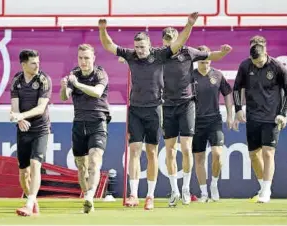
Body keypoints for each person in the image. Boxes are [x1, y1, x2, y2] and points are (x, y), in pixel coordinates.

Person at [99, 12, 199, 210]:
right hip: (135, 109)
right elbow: (108, 45)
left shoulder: (160, 55)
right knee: (134, 151)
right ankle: (134, 194)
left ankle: (150, 195)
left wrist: (189, 24)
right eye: (136, 47)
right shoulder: (130, 56)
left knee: (152, 152)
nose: (139, 50)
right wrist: (103, 30)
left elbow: (179, 42)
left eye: (142, 47)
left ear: (149, 45)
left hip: (155, 109)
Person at [161, 28, 232, 206]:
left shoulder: (191, 54)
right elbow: (143, 57)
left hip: (198, 112)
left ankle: (196, 187)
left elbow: (211, 57)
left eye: (172, 39)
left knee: (199, 151)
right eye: (167, 40)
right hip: (172, 109)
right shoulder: (161, 55)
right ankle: (185, 191)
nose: (169, 43)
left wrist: (222, 53)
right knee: (175, 151)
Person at [233, 36, 287, 203]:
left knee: (268, 152)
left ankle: (266, 191)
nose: (258, 64)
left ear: (266, 53)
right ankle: (263, 186)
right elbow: (236, 88)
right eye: (255, 62)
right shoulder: (244, 66)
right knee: (253, 154)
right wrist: (238, 109)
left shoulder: (277, 66)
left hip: (272, 117)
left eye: (260, 62)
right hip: (252, 116)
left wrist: (282, 113)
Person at [60, 44, 110, 213]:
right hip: (79, 124)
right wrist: (63, 87)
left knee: (94, 161)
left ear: (93, 58)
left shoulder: (100, 74)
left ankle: (89, 196)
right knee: (81, 166)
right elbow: (64, 96)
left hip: (97, 122)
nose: (83, 61)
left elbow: (97, 92)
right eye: (81, 58)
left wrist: (77, 84)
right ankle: (88, 199)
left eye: (87, 58)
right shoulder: (74, 74)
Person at [10, 49, 52, 216]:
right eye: (33, 63)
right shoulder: (16, 80)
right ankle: (32, 199)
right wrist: (18, 119)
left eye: (38, 62)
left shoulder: (44, 79)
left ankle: (29, 203)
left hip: (41, 128)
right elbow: (14, 106)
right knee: (23, 173)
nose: (37, 65)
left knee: (36, 164)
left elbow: (41, 108)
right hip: (23, 129)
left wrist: (21, 115)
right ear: (24, 65)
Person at [190, 45, 233, 203]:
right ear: (197, 61)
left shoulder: (218, 75)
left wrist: (230, 115)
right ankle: (204, 192)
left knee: (217, 154)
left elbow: (228, 93)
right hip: (195, 122)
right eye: (202, 62)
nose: (206, 64)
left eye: (208, 61)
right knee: (199, 158)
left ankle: (214, 184)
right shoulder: (190, 76)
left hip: (214, 120)